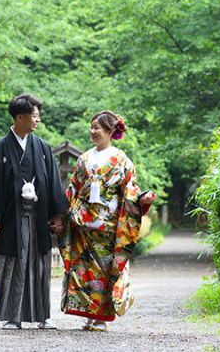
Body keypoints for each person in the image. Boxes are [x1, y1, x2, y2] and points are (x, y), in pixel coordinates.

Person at [0, 93, 70, 330]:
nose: (38, 120)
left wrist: (56, 215)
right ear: (20, 117)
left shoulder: (43, 148)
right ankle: (12, 316)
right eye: (35, 116)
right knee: (13, 263)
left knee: (40, 264)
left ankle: (43, 316)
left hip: (38, 217)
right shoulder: (0, 149)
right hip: (11, 219)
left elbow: (54, 184)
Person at [58, 110, 156, 332]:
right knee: (83, 267)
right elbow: (73, 188)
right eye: (91, 127)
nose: (93, 131)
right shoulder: (83, 158)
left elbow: (130, 189)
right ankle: (88, 314)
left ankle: (101, 318)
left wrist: (142, 199)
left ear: (111, 131)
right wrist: (59, 211)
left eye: (97, 128)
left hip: (107, 224)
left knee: (104, 270)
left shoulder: (121, 160)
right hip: (82, 223)